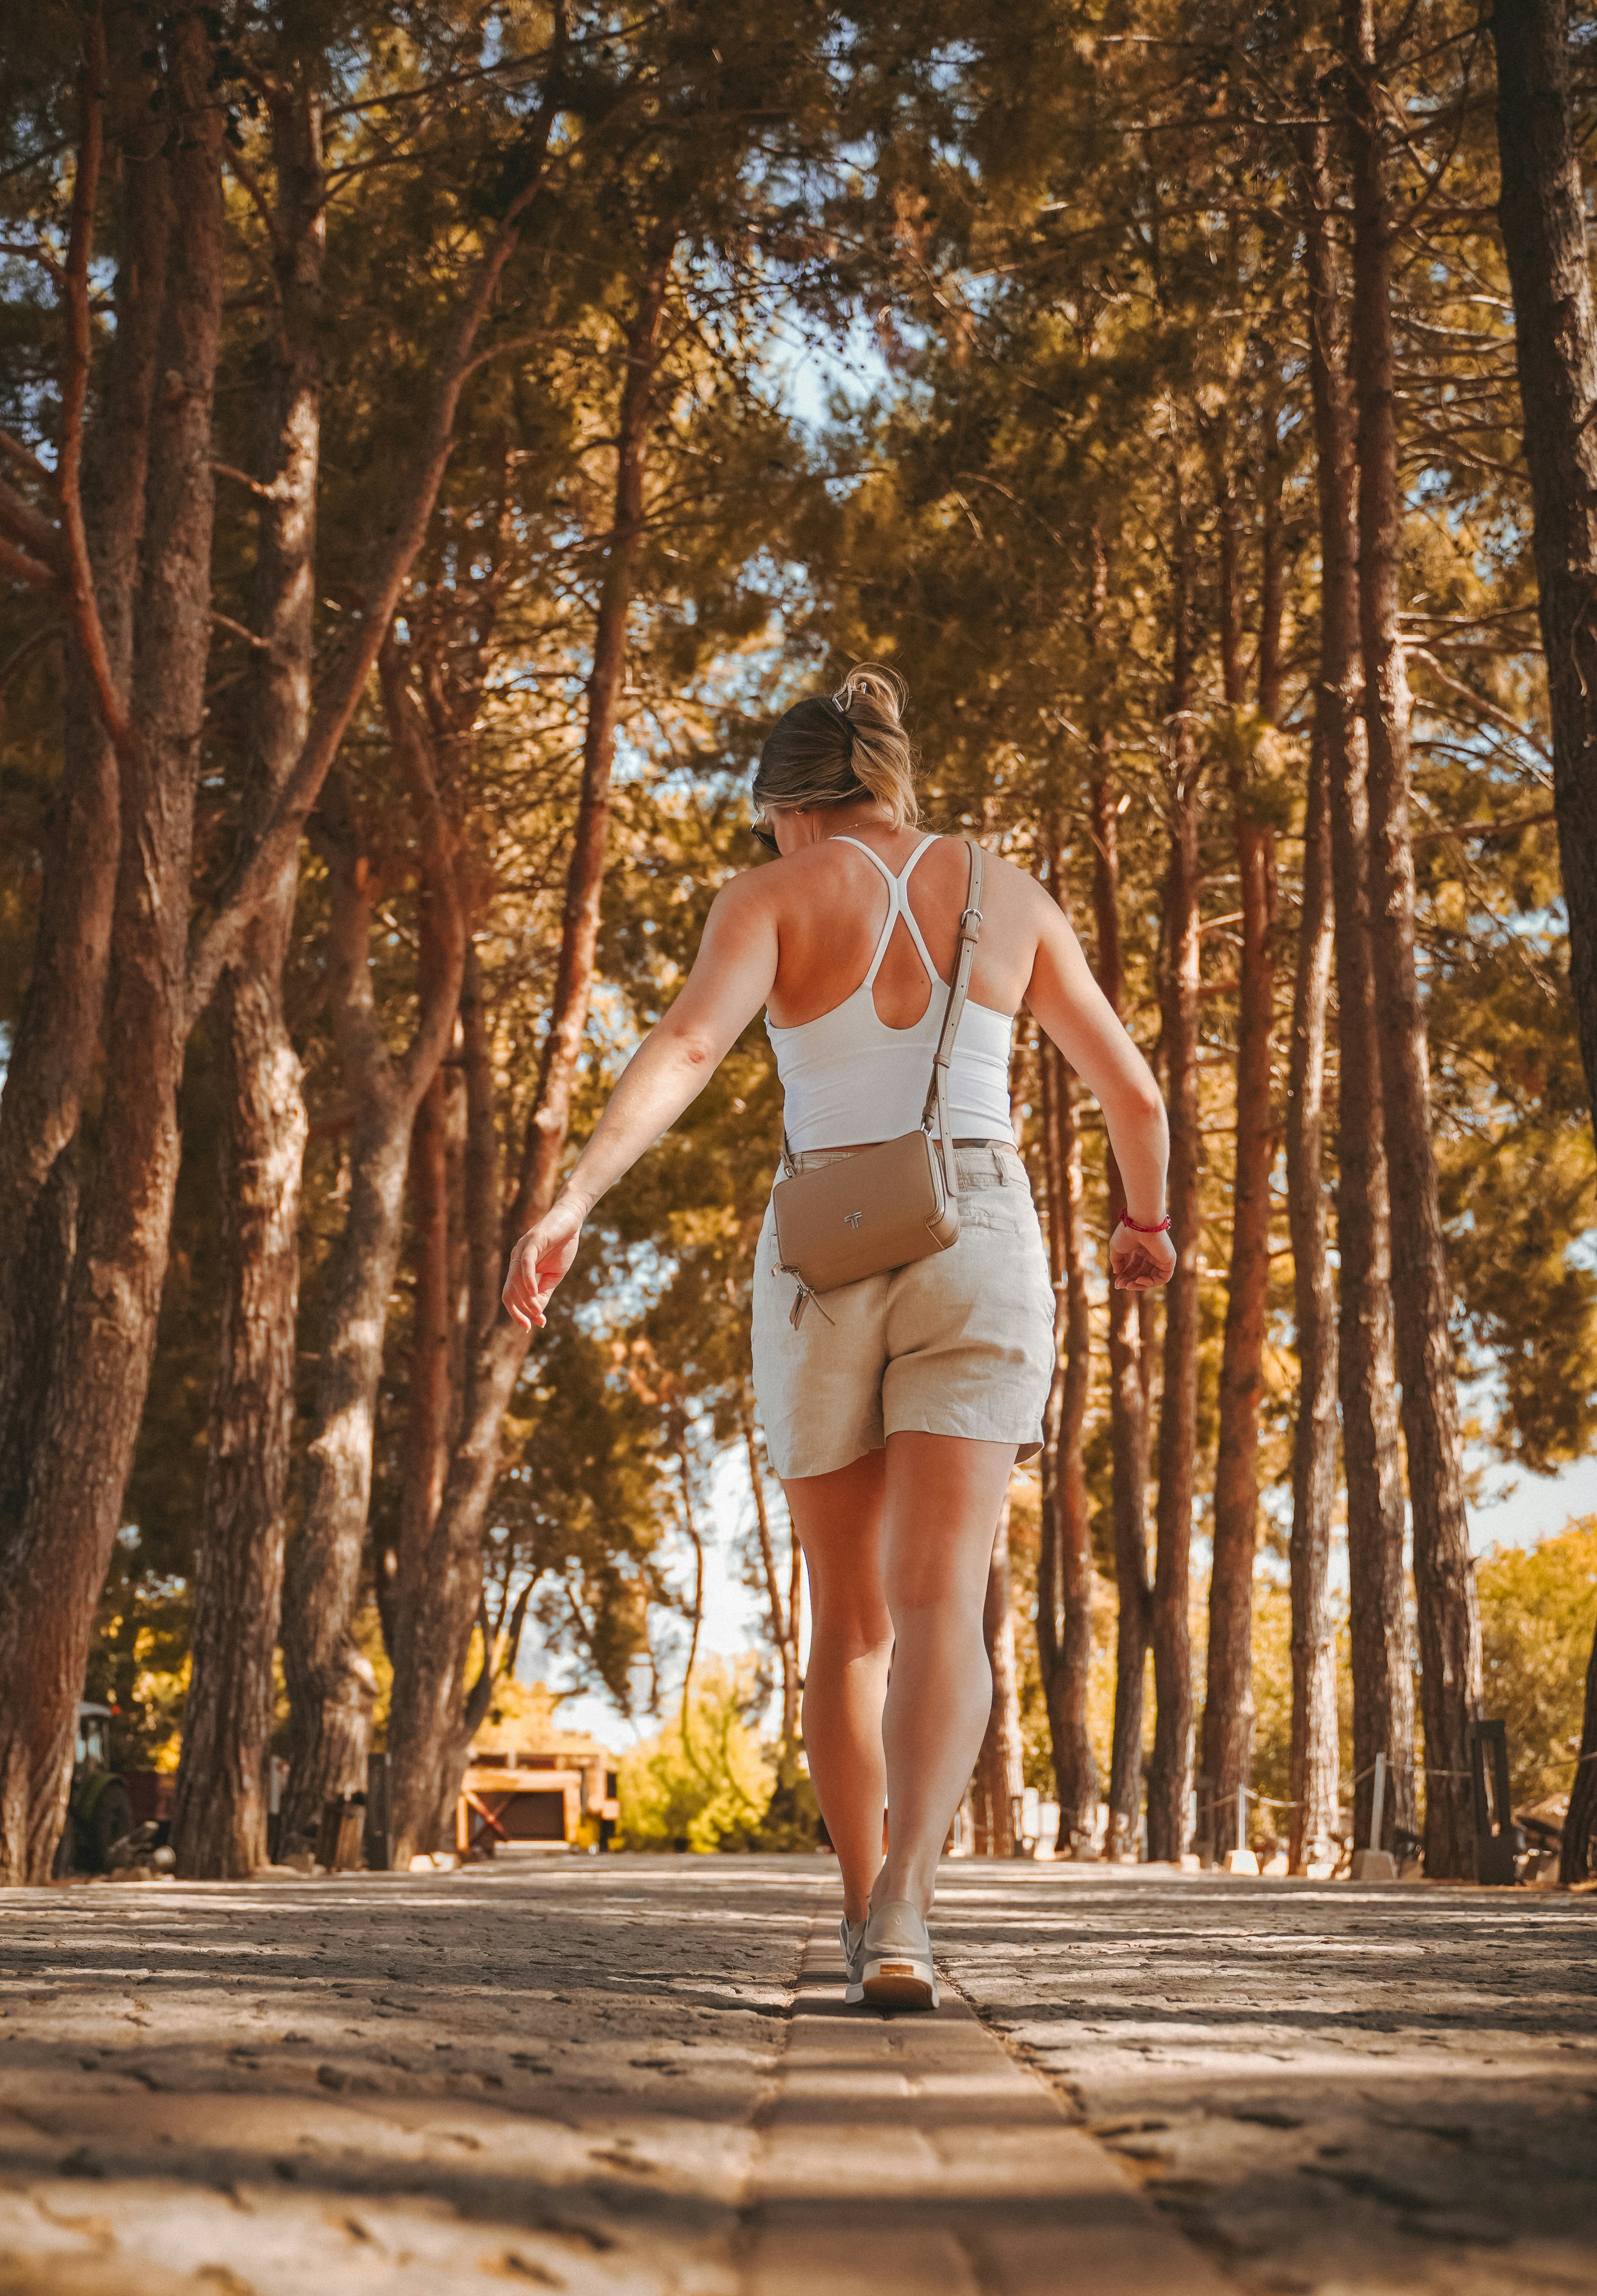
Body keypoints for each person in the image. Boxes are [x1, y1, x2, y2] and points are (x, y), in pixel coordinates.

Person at [503, 669, 1175, 2010]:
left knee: (851, 1618)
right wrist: (1143, 1227)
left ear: (791, 806)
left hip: (823, 1244)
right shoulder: (1011, 894)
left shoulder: (769, 900)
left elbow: (691, 1046)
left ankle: (865, 1894)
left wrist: (573, 1198)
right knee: (945, 1600)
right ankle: (912, 1915)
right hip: (975, 1228)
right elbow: (1137, 1095)